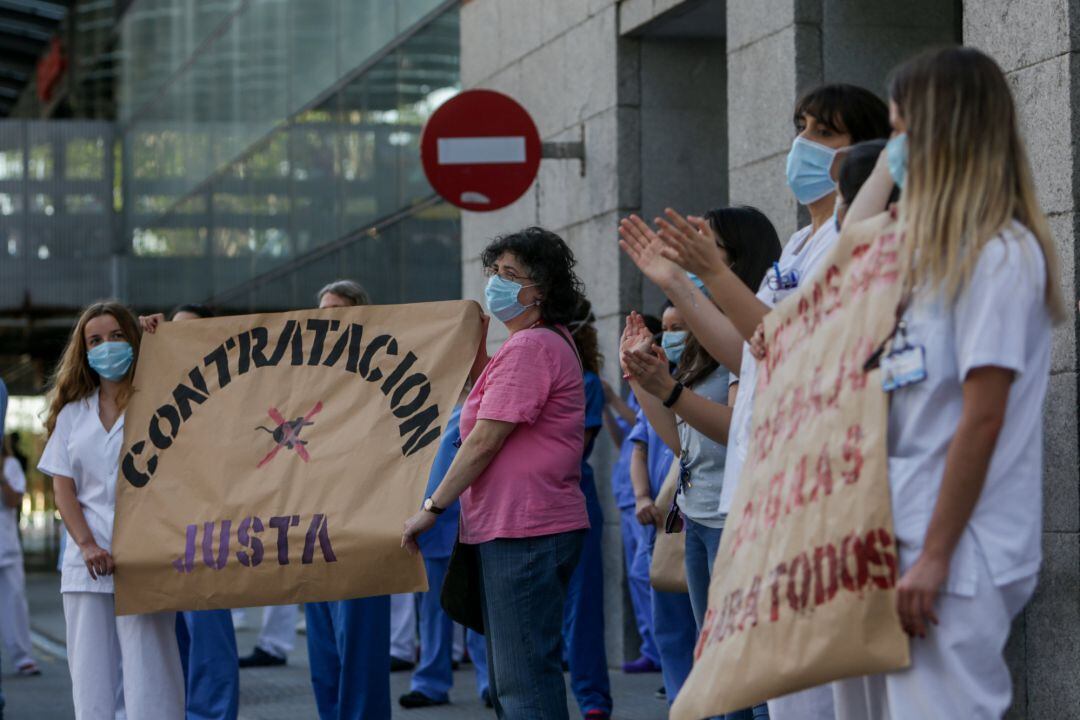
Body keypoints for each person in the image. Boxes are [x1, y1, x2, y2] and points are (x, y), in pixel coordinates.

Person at [620, 82, 889, 720]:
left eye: (826, 134)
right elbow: (754, 354)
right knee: (778, 695)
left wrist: (708, 277)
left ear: (866, 154)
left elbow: (792, 347)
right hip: (757, 497)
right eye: (801, 127)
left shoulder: (856, 241)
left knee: (815, 697)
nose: (804, 146)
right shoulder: (797, 246)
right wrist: (677, 287)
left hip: (812, 494)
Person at [830, 46, 1064, 720]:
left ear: (945, 131)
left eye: (902, 130)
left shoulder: (999, 255)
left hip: (957, 553)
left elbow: (982, 416)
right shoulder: (929, 254)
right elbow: (849, 242)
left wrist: (935, 556)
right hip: (897, 535)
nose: (892, 150)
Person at [401, 227, 590, 720]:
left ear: (541, 290)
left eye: (511, 275)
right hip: (525, 528)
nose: (496, 284)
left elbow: (484, 438)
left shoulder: (531, 348)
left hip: (524, 530)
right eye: (494, 273)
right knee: (525, 674)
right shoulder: (533, 343)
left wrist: (432, 508)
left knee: (521, 681)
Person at [38, 301, 184, 720]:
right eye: (95, 340)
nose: (107, 347)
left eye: (117, 336)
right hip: (86, 568)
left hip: (146, 561)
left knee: (152, 682)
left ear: (134, 342)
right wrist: (85, 544)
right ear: (83, 352)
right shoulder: (72, 415)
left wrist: (163, 339)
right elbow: (62, 487)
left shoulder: (163, 402)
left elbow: (204, 382)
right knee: (92, 688)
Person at [142, 303, 240, 720]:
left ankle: (212, 714)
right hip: (163, 529)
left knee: (209, 633)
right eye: (175, 333)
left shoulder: (230, 387)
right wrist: (146, 341)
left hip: (209, 531)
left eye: (193, 333)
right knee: (171, 638)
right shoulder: (156, 383)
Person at [304, 278, 393, 720]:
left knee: (360, 654)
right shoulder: (302, 377)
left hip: (361, 528)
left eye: (336, 310)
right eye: (321, 311)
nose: (327, 319)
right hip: (310, 529)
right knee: (324, 657)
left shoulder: (380, 372)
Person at [399, 385, 491, 710]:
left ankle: (489, 681)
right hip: (434, 526)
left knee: (479, 606)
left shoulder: (481, 397)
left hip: (471, 519)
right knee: (434, 609)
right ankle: (431, 681)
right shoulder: (423, 401)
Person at [625, 304, 695, 707]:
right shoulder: (657, 384)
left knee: (702, 619)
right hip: (663, 519)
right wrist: (642, 497)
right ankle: (679, 701)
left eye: (679, 327)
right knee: (668, 618)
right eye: (665, 329)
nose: (670, 335)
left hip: (699, 511)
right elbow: (639, 446)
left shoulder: (710, 377)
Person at [562, 301, 613, 720]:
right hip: (531, 501)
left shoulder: (587, 382)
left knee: (582, 605)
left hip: (573, 497)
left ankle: (592, 699)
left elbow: (576, 449)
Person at [601, 376, 662, 675]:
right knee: (636, 578)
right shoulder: (632, 392)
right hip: (627, 496)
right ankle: (651, 650)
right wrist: (604, 409)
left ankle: (662, 653)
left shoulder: (651, 386)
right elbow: (622, 439)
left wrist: (612, 398)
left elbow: (646, 424)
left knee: (644, 575)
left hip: (646, 497)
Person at [1, 433, 38, 677]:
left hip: (7, 549)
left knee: (14, 603)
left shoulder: (11, 465)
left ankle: (22, 656)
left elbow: (14, 501)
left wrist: (2, 476)